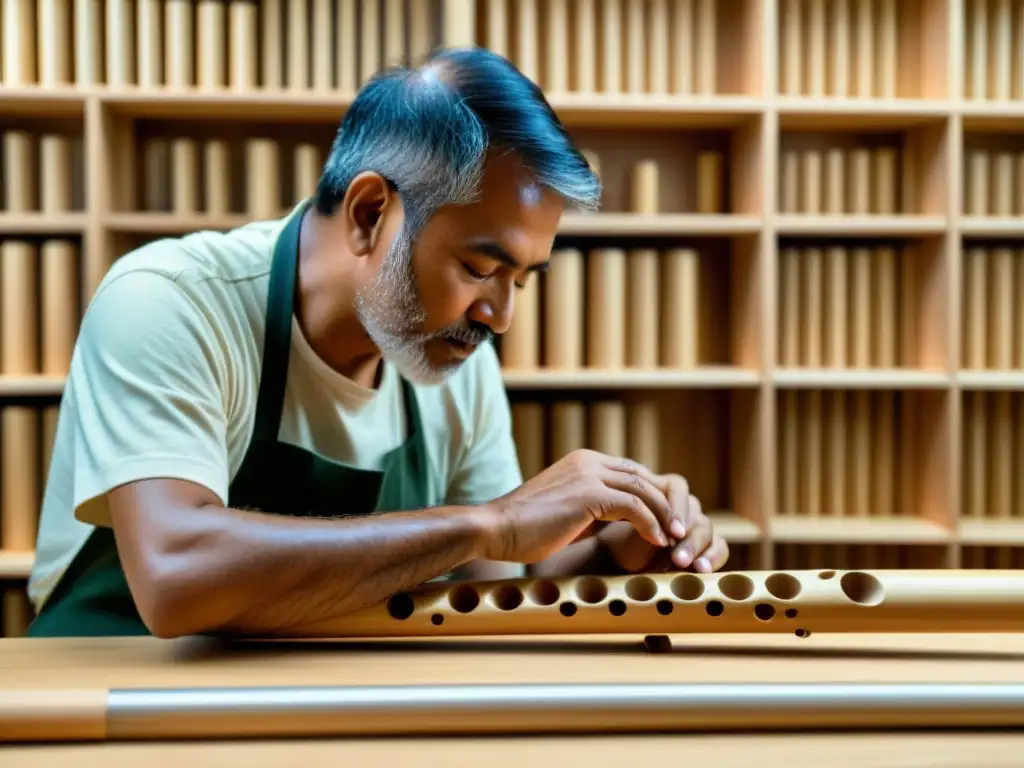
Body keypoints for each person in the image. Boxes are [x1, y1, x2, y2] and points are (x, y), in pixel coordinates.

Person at [26, 47, 729, 639]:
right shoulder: (169, 300)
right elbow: (177, 577)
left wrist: (623, 555)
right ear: (370, 214)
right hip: (107, 703)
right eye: (481, 269)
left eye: (523, 279)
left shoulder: (455, 359)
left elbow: (496, 584)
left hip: (317, 712)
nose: (501, 317)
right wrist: (491, 521)